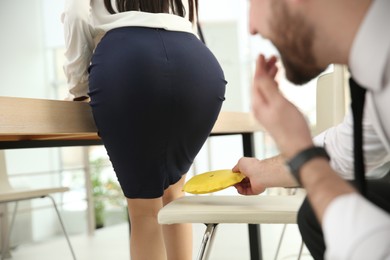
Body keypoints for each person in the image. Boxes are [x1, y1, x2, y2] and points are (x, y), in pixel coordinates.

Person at [61, 1, 226, 260]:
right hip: (197, 64)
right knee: (174, 196)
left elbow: (77, 13)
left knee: (144, 210)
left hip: (129, 62)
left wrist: (79, 89)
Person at [233, 0, 390, 259]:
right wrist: (262, 170)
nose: (251, 27)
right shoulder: (376, 66)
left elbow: (374, 250)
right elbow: (343, 151)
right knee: (313, 217)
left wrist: (301, 151)